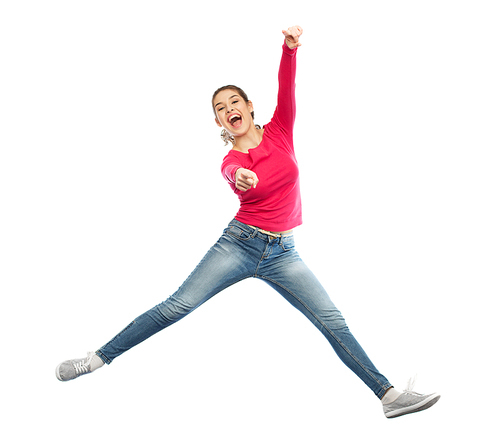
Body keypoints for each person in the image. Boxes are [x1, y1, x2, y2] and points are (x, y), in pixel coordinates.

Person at [56, 26, 440, 419]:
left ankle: (389, 397)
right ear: (219, 123)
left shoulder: (280, 131)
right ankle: (98, 358)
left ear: (249, 106)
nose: (228, 109)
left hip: (284, 253)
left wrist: (289, 51)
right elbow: (232, 172)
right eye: (220, 108)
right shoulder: (230, 161)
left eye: (233, 101)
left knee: (333, 321)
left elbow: (287, 86)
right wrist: (239, 178)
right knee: (177, 307)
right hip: (239, 245)